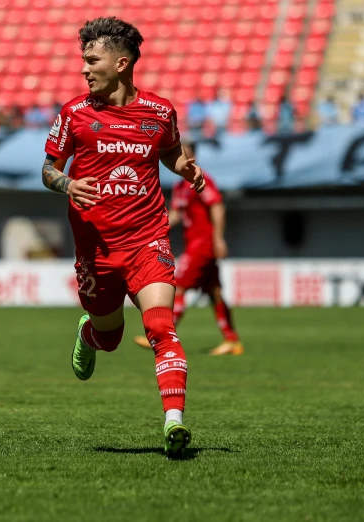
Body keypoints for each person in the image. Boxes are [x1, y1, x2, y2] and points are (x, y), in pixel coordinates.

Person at [41, 17, 206, 458]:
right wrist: (66, 184)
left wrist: (183, 165)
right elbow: (48, 169)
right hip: (96, 248)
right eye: (83, 61)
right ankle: (90, 334)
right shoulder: (74, 114)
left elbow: (169, 149)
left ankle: (174, 423)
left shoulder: (159, 112)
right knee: (110, 336)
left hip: (147, 238)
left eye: (91, 61)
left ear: (122, 63)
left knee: (160, 326)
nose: (84, 70)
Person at [134, 142, 243, 356]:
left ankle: (161, 337)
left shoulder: (201, 179)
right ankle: (232, 340)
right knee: (215, 293)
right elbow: (176, 213)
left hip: (202, 245)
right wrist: (154, 226)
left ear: (191, 154)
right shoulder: (180, 186)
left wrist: (218, 238)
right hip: (195, 243)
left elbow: (217, 206)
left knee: (179, 286)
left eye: (181, 151)